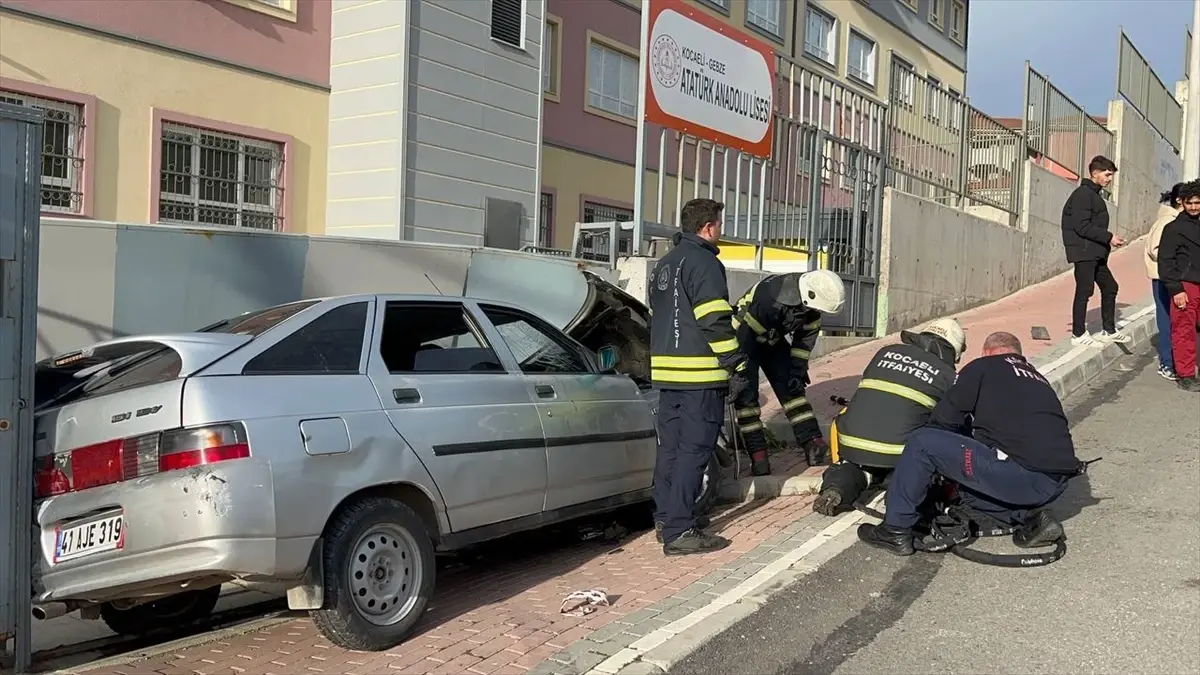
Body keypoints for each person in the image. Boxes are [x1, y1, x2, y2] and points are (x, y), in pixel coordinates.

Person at [857, 332, 1081, 556]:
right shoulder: (1038, 379)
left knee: (922, 442)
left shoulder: (982, 367)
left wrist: (932, 468)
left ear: (986, 352)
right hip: (1055, 483)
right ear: (1019, 355)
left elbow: (942, 422)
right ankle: (1032, 519)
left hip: (1017, 474)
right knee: (969, 491)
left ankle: (895, 529)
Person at [648, 198, 748, 555]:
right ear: (708, 227)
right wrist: (735, 364)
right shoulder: (705, 262)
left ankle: (667, 516)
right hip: (699, 376)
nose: (721, 231)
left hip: (667, 374)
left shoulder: (665, 263)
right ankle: (680, 531)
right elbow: (714, 320)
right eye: (719, 224)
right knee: (695, 450)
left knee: (670, 449)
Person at [812, 318, 965, 516]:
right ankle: (896, 492)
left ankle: (838, 486)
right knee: (919, 457)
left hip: (851, 443)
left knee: (858, 468)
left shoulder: (885, 352)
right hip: (898, 453)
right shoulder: (948, 375)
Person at [727, 270, 846, 475]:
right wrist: (737, 372)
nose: (819, 314)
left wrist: (798, 368)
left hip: (772, 339)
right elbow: (746, 336)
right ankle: (759, 456)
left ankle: (812, 443)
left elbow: (804, 341)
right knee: (746, 400)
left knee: (793, 391)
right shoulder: (771, 298)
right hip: (745, 339)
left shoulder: (812, 304)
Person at [1061, 155, 1130, 347]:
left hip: (1095, 252)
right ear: (1095, 173)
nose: (1109, 179)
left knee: (1110, 287)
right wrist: (1109, 237)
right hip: (1084, 252)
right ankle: (1078, 334)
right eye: (1107, 175)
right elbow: (1081, 227)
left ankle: (1109, 330)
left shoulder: (1093, 194)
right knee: (1084, 290)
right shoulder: (1083, 195)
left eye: (1111, 175)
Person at [1156, 179, 1200, 393]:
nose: (1194, 207)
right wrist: (1176, 289)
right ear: (1182, 202)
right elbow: (1166, 261)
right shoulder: (1173, 228)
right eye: (1189, 203)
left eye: (1198, 203)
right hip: (1185, 285)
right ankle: (1186, 374)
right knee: (1184, 330)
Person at [1145, 183, 1186, 380]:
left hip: (1176, 277)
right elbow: (1155, 249)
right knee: (1167, 320)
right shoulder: (1166, 222)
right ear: (1180, 201)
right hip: (1163, 278)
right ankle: (1167, 363)